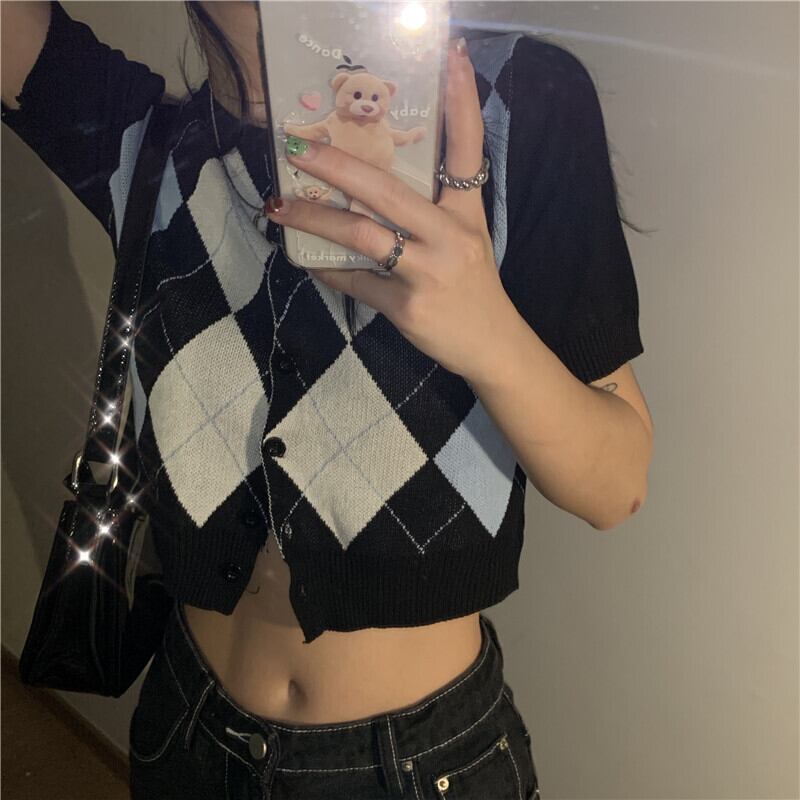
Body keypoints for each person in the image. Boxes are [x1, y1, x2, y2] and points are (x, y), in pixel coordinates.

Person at [2, 1, 654, 797]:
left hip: (420, 766)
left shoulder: (511, 103)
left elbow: (615, 485)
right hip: (186, 733)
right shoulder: (145, 143)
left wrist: (487, 333)